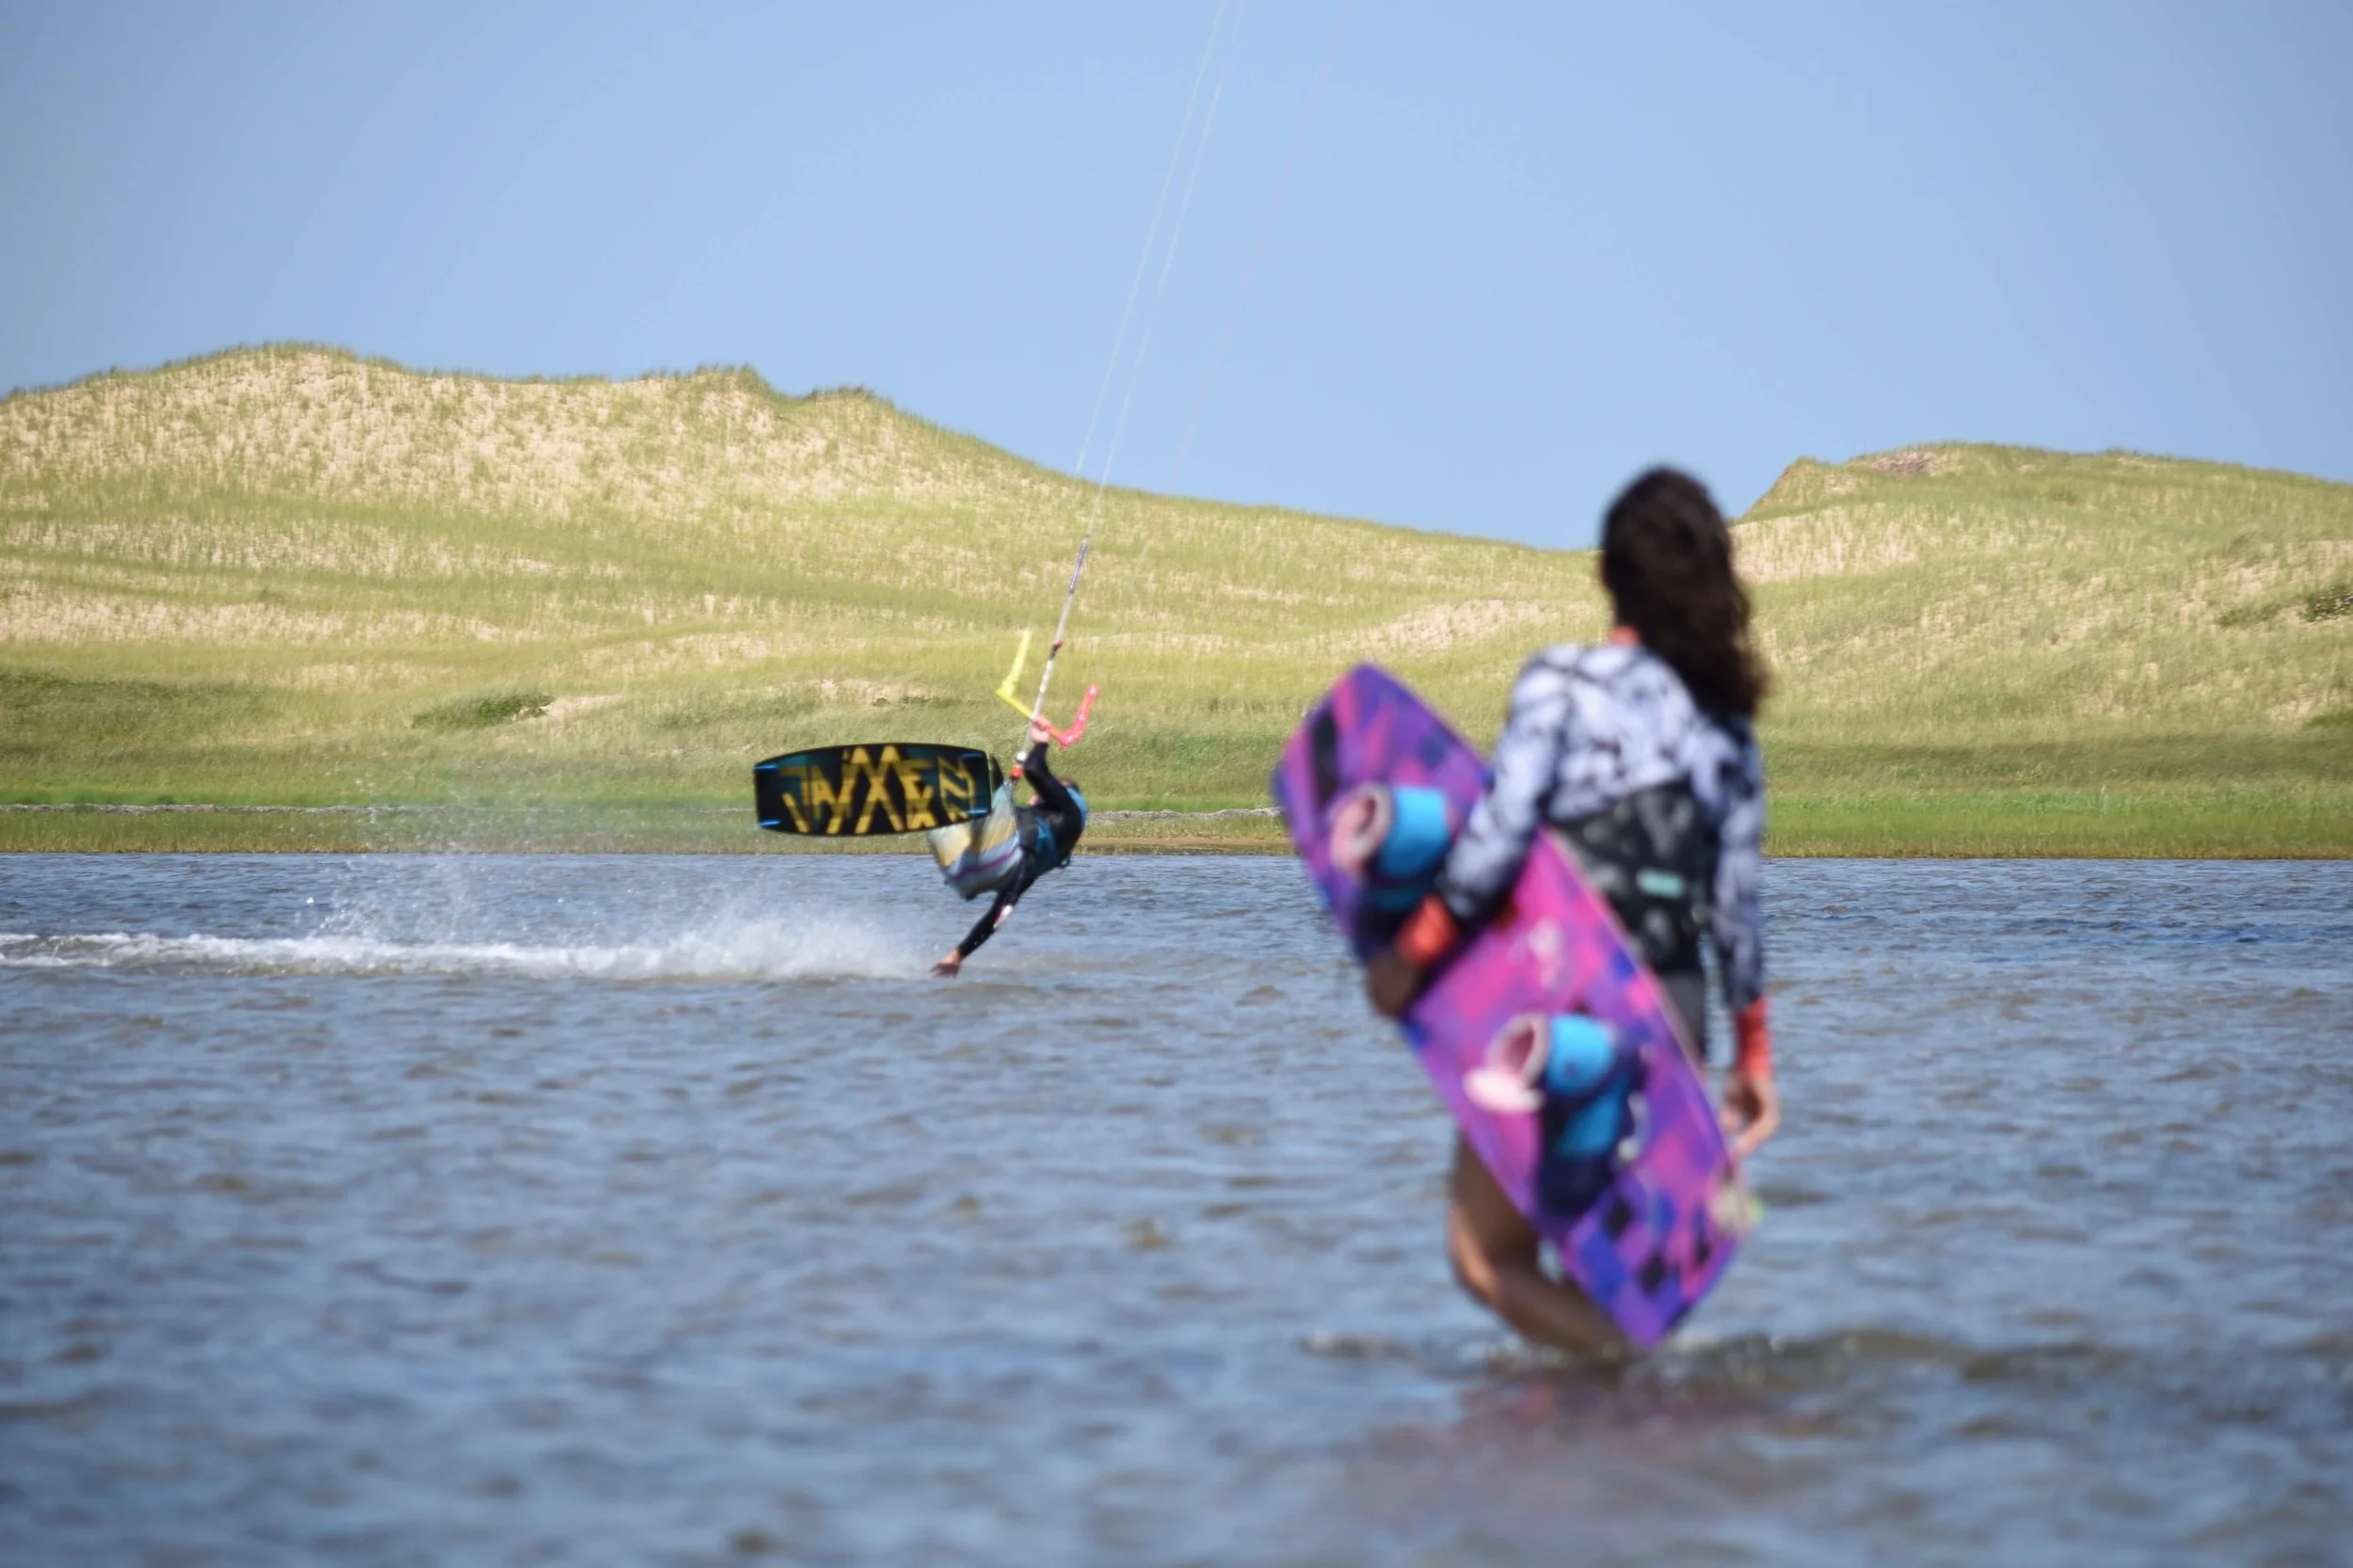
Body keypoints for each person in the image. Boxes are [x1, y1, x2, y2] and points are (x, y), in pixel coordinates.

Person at [1363, 467, 1781, 1356]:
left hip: (1564, 988)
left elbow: (1498, 837)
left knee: (1487, 1258)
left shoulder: (1562, 684)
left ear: (1607, 578)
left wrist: (1417, 952)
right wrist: (1753, 1055)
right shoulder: (1726, 724)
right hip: (1669, 1013)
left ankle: (1637, 1394)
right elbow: (1736, 905)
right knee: (1600, 1249)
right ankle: (1593, 1442)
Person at [931, 717, 1089, 977]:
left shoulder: (1068, 808)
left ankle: (939, 801)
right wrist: (958, 955)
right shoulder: (1043, 858)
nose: (1035, 795)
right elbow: (998, 914)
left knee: (988, 785)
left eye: (1043, 793)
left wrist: (1040, 743)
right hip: (982, 874)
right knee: (978, 811)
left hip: (978, 863)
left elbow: (1036, 771)